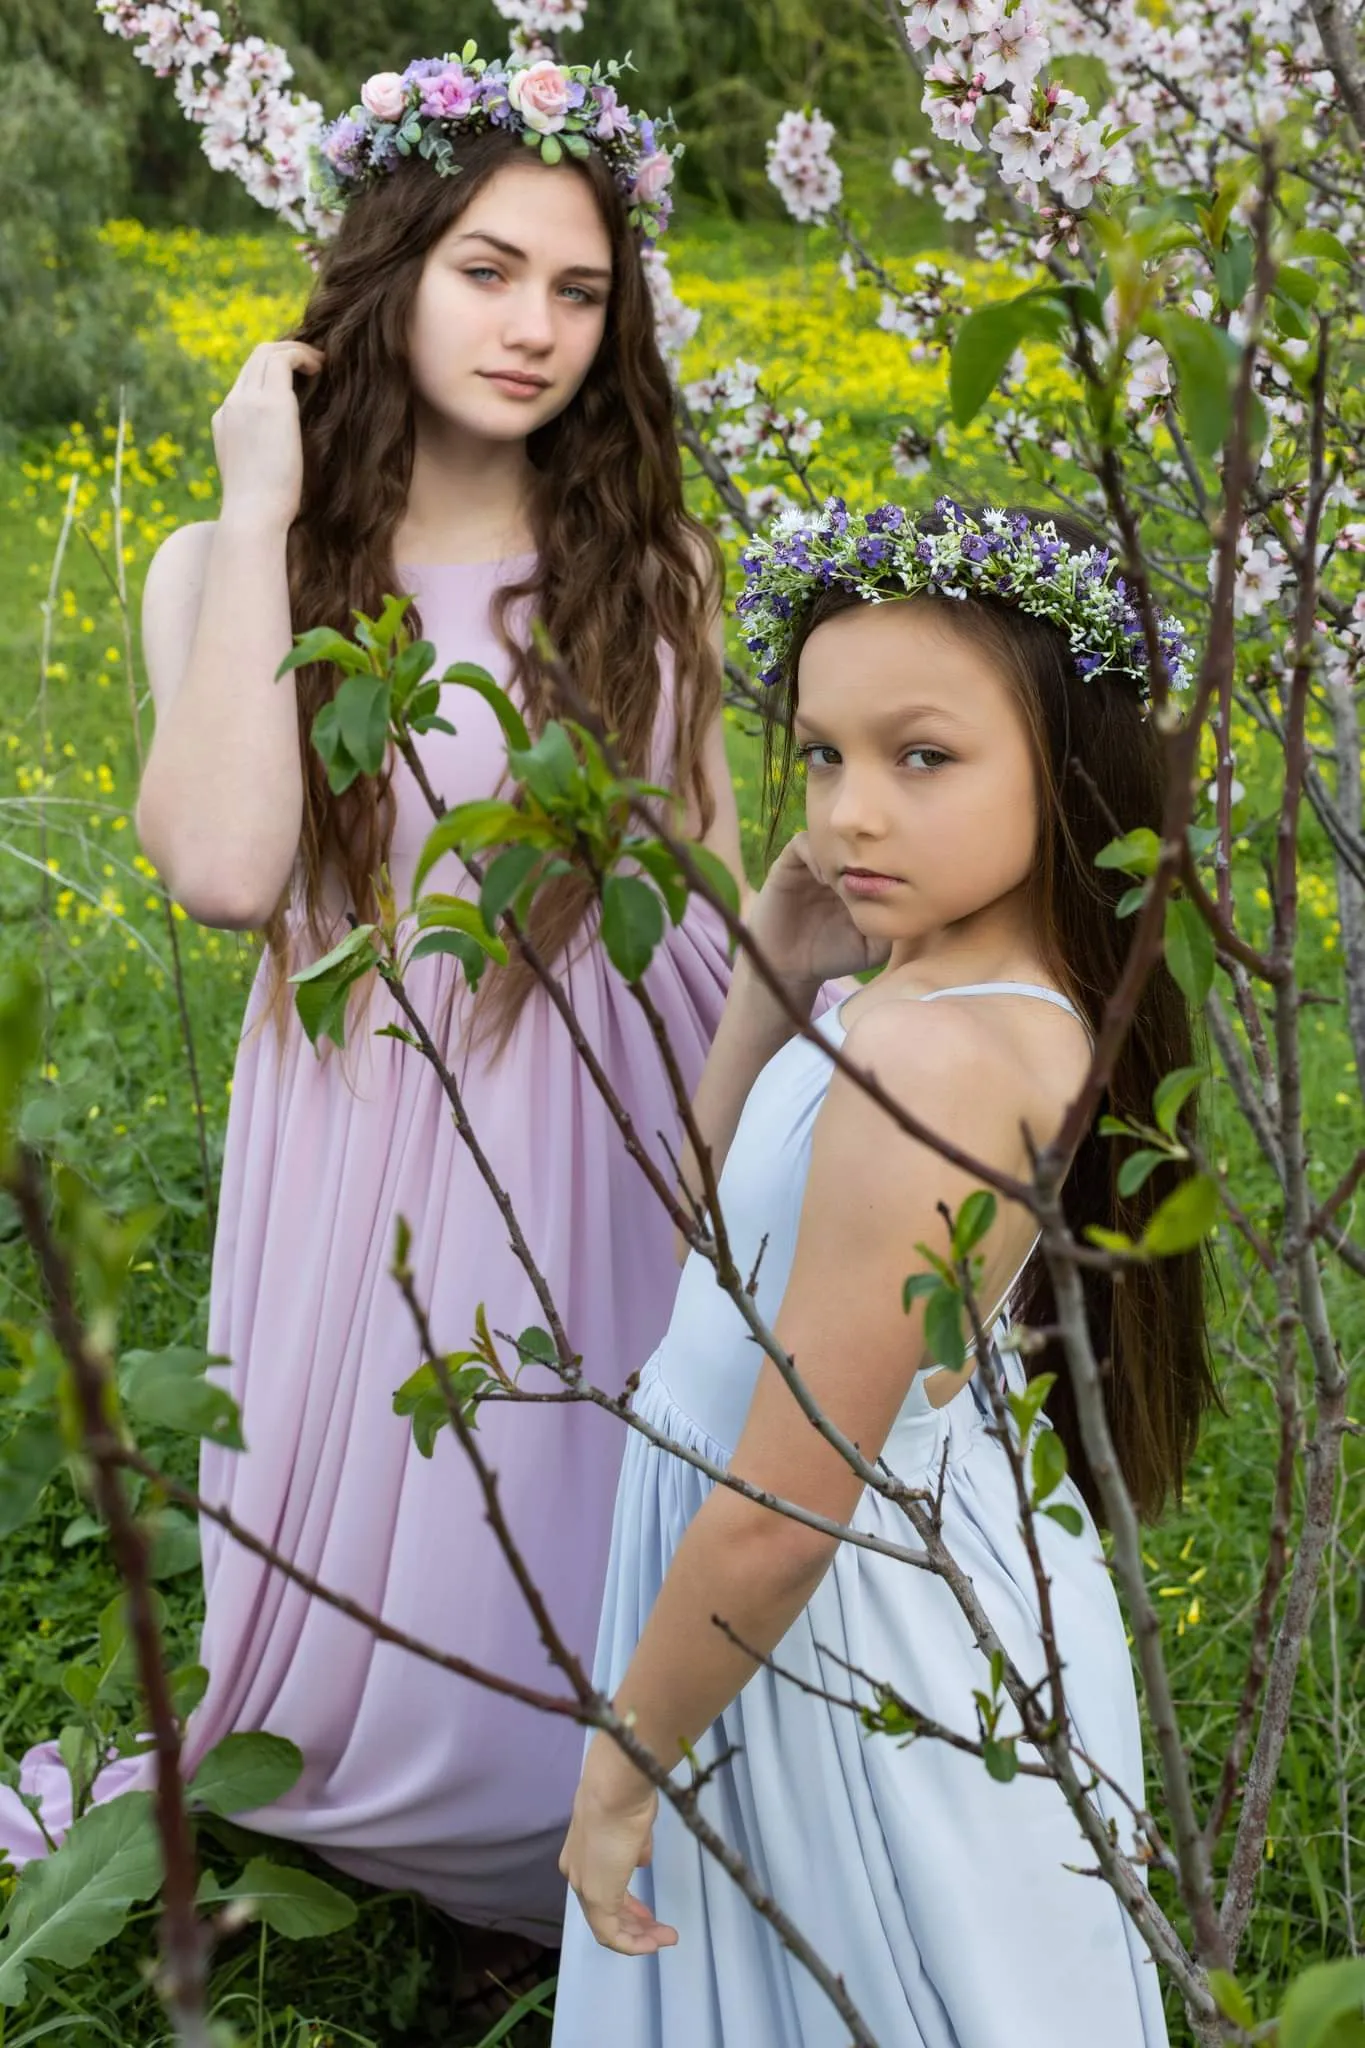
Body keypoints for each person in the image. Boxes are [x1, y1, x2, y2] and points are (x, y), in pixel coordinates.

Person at [0, 45, 741, 1991]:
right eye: (490, 271)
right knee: (395, 1642)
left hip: (614, 1136)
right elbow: (235, 876)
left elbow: (721, 922)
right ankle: (457, 1864)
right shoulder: (221, 570)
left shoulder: (650, 577)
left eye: (580, 292)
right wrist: (259, 502)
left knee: (597, 1575)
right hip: (367, 1135)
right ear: (391, 269)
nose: (536, 329)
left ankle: (575, 1881)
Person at [552, 499, 1218, 2046]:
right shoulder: (924, 991)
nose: (851, 813)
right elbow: (708, 1262)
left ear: (1065, 763)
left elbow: (784, 1517)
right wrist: (780, 970)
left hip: (827, 1629)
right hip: (785, 1587)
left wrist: (619, 1763)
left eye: (922, 759)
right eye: (824, 755)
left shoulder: (940, 1045)